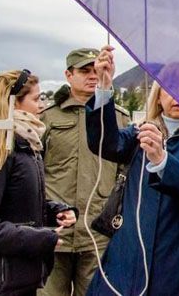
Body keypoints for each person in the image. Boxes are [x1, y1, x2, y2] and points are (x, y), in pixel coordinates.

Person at [84, 46, 179, 295]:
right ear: (158, 95)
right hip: (129, 254)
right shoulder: (139, 133)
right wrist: (102, 87)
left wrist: (163, 160)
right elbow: (105, 143)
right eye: (172, 88)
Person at [0, 70, 77, 295]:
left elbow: (16, 206)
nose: (42, 105)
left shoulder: (27, 146)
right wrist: (40, 239)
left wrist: (53, 211)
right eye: (36, 99)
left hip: (20, 278)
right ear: (13, 103)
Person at [39, 49, 129, 296]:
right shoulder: (46, 118)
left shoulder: (118, 118)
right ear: (68, 75)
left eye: (96, 71)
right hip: (54, 231)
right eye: (84, 71)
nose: (92, 76)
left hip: (97, 230)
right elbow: (33, 171)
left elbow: (125, 172)